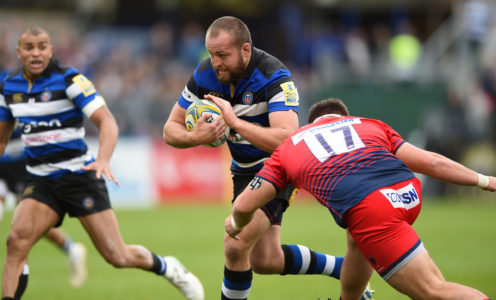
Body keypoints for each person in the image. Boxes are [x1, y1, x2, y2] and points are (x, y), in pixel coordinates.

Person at [163, 16, 371, 300]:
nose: (216, 62)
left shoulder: (275, 76)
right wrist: (195, 137)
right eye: (211, 54)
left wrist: (234, 122)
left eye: (223, 55)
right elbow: (169, 130)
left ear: (245, 50)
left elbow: (287, 137)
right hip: (244, 171)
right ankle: (346, 268)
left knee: (235, 245)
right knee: (265, 260)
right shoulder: (204, 74)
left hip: (280, 167)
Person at [0, 27, 204, 300]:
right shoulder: (9, 87)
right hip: (41, 181)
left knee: (117, 255)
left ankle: (170, 268)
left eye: (41, 46)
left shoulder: (70, 80)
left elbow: (107, 121)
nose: (35, 52)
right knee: (16, 244)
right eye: (29, 47)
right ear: (19, 52)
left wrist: (103, 159)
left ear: (50, 50)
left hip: (79, 176)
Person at [225, 98, 495, 300]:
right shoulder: (369, 125)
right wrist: (485, 181)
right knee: (357, 240)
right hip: (408, 193)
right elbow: (432, 162)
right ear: (345, 118)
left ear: (310, 124)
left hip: (374, 209)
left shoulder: (290, 146)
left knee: (433, 290)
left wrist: (236, 226)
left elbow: (244, 205)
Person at [0, 123, 88, 288]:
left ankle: (71, 248)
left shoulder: (14, 98)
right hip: (3, 160)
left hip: (19, 160)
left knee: (28, 222)